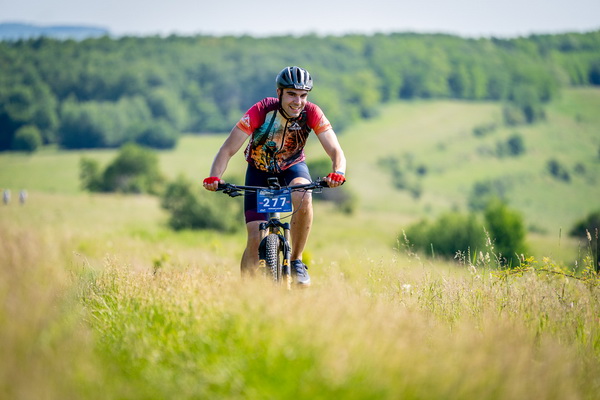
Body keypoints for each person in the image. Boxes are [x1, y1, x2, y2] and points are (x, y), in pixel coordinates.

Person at [203, 66, 347, 286]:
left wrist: (338, 172)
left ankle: (296, 260)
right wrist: (214, 177)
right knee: (254, 238)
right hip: (258, 171)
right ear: (279, 93)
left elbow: (336, 150)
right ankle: (248, 290)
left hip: (292, 167)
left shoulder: (312, 112)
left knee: (303, 194)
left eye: (303, 95)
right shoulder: (262, 110)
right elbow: (227, 149)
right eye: (291, 94)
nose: (298, 101)